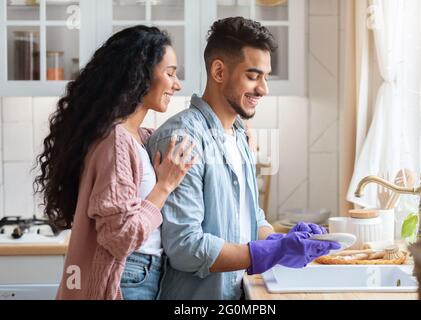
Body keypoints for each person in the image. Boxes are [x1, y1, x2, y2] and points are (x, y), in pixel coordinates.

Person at [146, 17, 340, 300]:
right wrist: (269, 251)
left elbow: (251, 220)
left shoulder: (239, 137)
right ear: (219, 71)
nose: (264, 89)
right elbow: (186, 248)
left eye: (266, 76)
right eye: (253, 76)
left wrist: (280, 241)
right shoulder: (182, 139)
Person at [33, 26, 195, 300]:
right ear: (140, 75)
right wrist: (164, 187)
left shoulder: (138, 138)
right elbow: (120, 238)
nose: (177, 84)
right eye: (170, 73)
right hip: (129, 277)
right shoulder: (116, 141)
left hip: (140, 274)